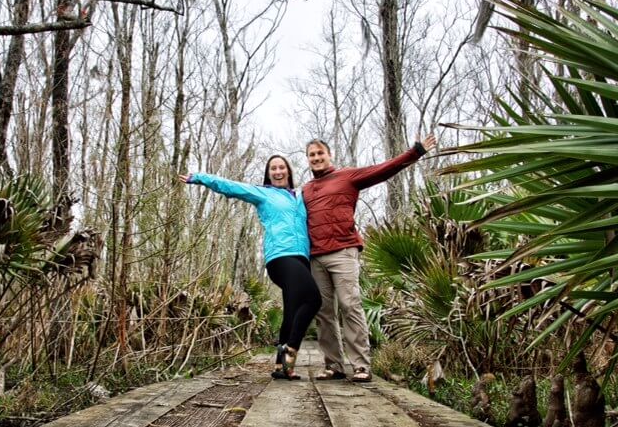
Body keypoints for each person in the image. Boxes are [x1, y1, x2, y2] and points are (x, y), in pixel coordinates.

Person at [303, 134, 437, 382]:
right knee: (323, 312)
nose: (316, 158)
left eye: (320, 153)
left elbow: (382, 170)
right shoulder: (306, 190)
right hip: (315, 257)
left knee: (350, 305)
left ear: (329, 155)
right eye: (312, 155)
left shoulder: (347, 177)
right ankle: (333, 365)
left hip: (343, 251)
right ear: (308, 159)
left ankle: (361, 366)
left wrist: (416, 152)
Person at [179, 155, 321, 380]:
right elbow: (231, 187)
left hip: (302, 258)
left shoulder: (300, 196)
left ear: (288, 171)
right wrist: (200, 178)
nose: (278, 171)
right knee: (314, 299)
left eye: (281, 167)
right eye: (273, 168)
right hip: (280, 256)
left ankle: (281, 367)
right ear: (268, 174)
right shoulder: (263, 193)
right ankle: (291, 349)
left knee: (292, 312)